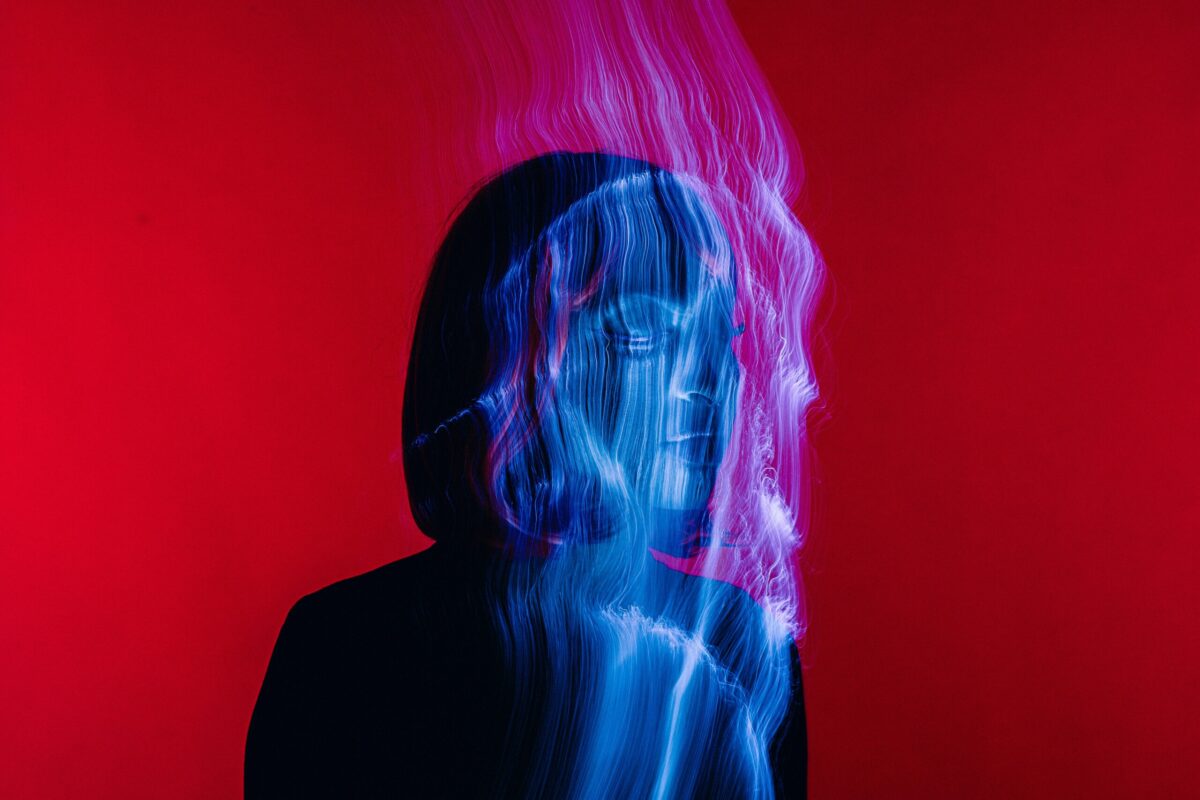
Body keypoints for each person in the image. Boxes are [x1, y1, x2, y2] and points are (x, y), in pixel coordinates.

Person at [245, 152, 807, 798]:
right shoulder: (347, 650)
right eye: (642, 334)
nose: (707, 379)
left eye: (722, 337)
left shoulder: (746, 648)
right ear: (506, 357)